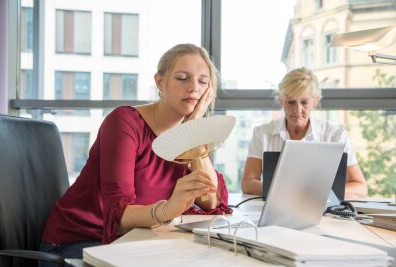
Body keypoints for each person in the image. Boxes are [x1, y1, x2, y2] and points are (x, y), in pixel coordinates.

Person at [39, 43, 232, 262]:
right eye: (182, 78)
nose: (194, 88)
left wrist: (194, 128)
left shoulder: (188, 133)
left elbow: (211, 201)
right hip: (80, 242)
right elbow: (117, 216)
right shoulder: (124, 123)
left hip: (136, 240)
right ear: (160, 82)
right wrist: (168, 210)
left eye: (203, 81)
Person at [241, 67, 368, 200]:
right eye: (291, 102)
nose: (297, 110)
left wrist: (318, 193)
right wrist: (286, 191)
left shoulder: (336, 135)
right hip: (277, 207)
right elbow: (248, 183)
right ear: (281, 101)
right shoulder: (262, 134)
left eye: (304, 102)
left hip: (322, 210)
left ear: (315, 101)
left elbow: (360, 187)